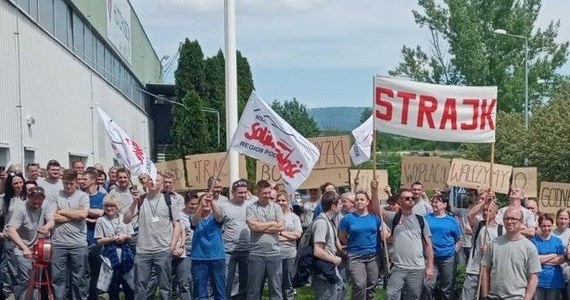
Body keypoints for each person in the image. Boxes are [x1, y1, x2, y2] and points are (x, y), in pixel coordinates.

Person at [123, 173, 180, 300]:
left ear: (162, 183)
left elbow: (177, 225)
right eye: (150, 180)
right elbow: (126, 220)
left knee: (165, 287)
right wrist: (134, 202)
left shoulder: (169, 200)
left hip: (163, 250)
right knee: (140, 286)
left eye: (156, 180)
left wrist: (172, 246)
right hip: (143, 251)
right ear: (147, 182)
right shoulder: (141, 200)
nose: (153, 182)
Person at [383, 189, 434, 300]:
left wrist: (430, 267)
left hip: (417, 268)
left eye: (413, 198)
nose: (410, 200)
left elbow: (428, 244)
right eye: (407, 198)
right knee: (391, 294)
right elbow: (376, 210)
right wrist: (374, 190)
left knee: (413, 297)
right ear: (400, 201)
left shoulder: (421, 220)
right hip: (398, 267)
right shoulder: (394, 218)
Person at [481, 207, 541, 300]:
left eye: (513, 219)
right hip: (493, 297)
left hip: (517, 297)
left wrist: (527, 298)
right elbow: (485, 269)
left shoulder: (529, 247)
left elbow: (534, 277)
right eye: (507, 218)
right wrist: (484, 295)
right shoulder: (494, 244)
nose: (509, 221)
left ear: (521, 222)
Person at [47, 168, 90, 299]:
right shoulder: (56, 195)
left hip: (78, 243)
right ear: (62, 181)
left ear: (76, 182)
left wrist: (62, 212)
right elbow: (52, 216)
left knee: (79, 278)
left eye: (71, 183)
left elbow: (83, 214)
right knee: (58, 279)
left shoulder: (83, 196)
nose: (68, 186)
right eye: (66, 183)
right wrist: (74, 215)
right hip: (59, 243)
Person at [4, 186, 52, 300]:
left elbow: (51, 219)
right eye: (33, 202)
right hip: (21, 248)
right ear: (28, 198)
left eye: (39, 203)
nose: (36, 205)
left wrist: (46, 227)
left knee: (37, 281)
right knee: (26, 280)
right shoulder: (19, 208)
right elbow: (11, 230)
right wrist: (24, 248)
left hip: (37, 248)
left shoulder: (45, 205)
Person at [338, 191, 382, 300]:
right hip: (356, 256)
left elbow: (381, 232)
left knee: (372, 283)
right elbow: (341, 236)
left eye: (362, 199)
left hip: (373, 255)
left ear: (367, 202)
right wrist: (350, 244)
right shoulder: (348, 219)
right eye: (357, 200)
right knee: (359, 284)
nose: (359, 202)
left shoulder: (375, 218)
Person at [245, 180, 285, 300]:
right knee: (254, 291)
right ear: (258, 193)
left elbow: (281, 226)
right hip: (256, 254)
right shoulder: (251, 208)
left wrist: (260, 226)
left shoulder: (276, 207)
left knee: (276, 290)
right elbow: (253, 227)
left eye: (269, 193)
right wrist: (272, 223)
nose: (268, 196)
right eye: (264, 193)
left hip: (274, 254)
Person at [461, 193, 503, 300]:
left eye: (489, 211)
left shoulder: (501, 230)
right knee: (468, 295)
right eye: (484, 211)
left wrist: (489, 250)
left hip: (491, 270)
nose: (485, 213)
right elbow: (470, 215)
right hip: (475, 268)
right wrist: (484, 202)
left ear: (496, 213)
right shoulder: (479, 225)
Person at [94, 194, 135, 300]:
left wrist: (124, 236)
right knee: (113, 285)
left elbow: (130, 234)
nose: (109, 208)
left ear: (117, 207)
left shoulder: (124, 217)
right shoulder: (101, 220)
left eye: (112, 206)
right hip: (110, 255)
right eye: (107, 206)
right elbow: (99, 240)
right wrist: (112, 239)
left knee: (128, 285)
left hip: (125, 254)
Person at [422, 195, 462, 300]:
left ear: (444, 204)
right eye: (433, 202)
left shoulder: (452, 220)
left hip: (448, 258)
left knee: (447, 287)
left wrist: (454, 250)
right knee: (427, 284)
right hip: (431, 258)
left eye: (437, 202)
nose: (434, 204)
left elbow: (459, 238)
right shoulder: (426, 218)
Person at [219, 179, 254, 300]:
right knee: (227, 280)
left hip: (247, 249)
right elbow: (218, 224)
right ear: (233, 192)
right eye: (240, 192)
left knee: (245, 280)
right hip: (229, 250)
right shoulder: (224, 207)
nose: (243, 195)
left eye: (245, 192)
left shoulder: (252, 204)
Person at [190, 192, 225, 300]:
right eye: (204, 201)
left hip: (217, 257)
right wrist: (201, 206)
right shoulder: (194, 216)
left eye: (209, 201)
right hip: (199, 258)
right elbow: (194, 222)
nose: (207, 203)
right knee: (200, 293)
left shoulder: (215, 217)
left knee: (220, 291)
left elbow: (219, 217)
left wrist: (212, 201)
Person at [311, 191, 343, 300]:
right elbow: (318, 250)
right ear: (333, 206)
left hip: (330, 266)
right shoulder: (322, 223)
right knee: (327, 296)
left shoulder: (330, 221)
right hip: (324, 268)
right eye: (340, 204)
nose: (341, 206)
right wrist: (334, 259)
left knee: (340, 289)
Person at [82, 168, 106, 300]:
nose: (82, 182)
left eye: (85, 179)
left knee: (95, 272)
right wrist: (91, 216)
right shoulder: (79, 195)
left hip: (96, 240)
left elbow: (103, 214)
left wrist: (85, 214)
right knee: (83, 272)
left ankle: (94, 296)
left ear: (93, 181)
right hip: (82, 239)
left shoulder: (102, 197)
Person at [531, 214, 565, 300]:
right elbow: (533, 260)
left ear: (552, 225)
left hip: (554, 281)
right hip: (538, 281)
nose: (547, 228)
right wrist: (553, 255)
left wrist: (541, 259)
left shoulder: (557, 241)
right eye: (544, 226)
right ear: (539, 226)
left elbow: (561, 260)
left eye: (549, 226)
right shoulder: (534, 241)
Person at [276, 191, 302, 300]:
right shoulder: (272, 217)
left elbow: (298, 234)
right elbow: (272, 236)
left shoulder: (294, 217)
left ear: (288, 201)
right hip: (275, 254)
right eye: (278, 200)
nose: (281, 203)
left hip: (289, 254)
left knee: (288, 284)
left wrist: (281, 233)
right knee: (276, 284)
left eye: (283, 200)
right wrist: (289, 236)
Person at [552, 208, 570, 299]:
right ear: (557, 219)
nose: (563, 221)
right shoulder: (551, 234)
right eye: (561, 218)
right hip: (552, 275)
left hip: (567, 275)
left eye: (566, 219)